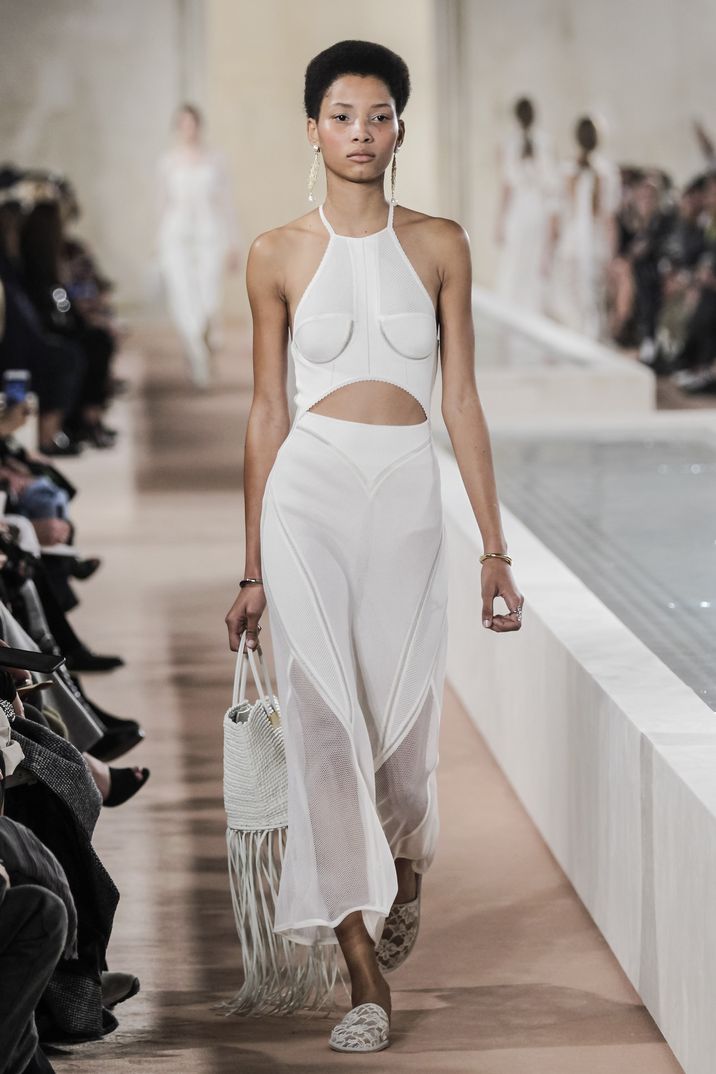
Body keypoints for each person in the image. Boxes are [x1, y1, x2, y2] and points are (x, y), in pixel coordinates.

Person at [224, 39, 524, 1055]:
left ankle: (406, 865)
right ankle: (362, 974)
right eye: (343, 116)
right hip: (305, 499)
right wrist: (251, 568)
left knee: (400, 750)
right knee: (320, 730)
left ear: (400, 128)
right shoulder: (273, 253)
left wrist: (494, 549)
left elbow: (462, 399)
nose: (361, 133)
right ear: (312, 129)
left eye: (379, 115)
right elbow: (266, 409)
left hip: (404, 499)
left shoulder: (439, 245)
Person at [157, 104, 240, 388]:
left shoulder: (216, 160)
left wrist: (233, 243)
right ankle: (197, 361)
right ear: (177, 128)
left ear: (199, 126)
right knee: (183, 296)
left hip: (210, 235)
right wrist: (157, 247)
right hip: (176, 236)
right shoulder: (168, 162)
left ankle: (204, 341)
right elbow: (163, 205)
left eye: (192, 123)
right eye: (183, 124)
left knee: (208, 297)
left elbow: (227, 204)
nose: (188, 129)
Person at [548, 116, 621, 338]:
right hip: (593, 244)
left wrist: (549, 249)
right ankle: (588, 338)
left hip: (572, 243)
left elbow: (556, 215)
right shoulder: (606, 171)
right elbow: (609, 219)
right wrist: (612, 253)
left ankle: (577, 339)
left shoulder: (566, 170)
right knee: (590, 301)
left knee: (573, 300)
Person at [495, 96, 557, 313]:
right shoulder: (541, 143)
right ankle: (527, 310)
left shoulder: (512, 143)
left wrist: (500, 220)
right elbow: (550, 184)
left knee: (520, 260)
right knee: (528, 260)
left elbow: (507, 186)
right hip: (533, 209)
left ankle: (518, 310)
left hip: (522, 210)